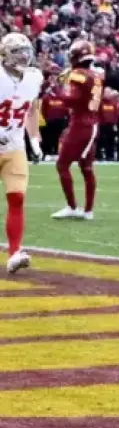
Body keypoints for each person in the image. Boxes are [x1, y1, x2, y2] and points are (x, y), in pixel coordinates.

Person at [0, 33, 43, 273]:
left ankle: (15, 253)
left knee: (17, 197)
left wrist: (34, 141)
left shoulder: (34, 78)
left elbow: (32, 110)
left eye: (26, 51)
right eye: (17, 51)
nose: (23, 56)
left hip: (14, 145)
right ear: (5, 54)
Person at [51, 40, 103, 221]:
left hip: (80, 124)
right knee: (86, 168)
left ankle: (72, 207)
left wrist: (58, 88)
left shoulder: (78, 74)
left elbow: (72, 99)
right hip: (92, 123)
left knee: (62, 165)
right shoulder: (97, 75)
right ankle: (88, 211)